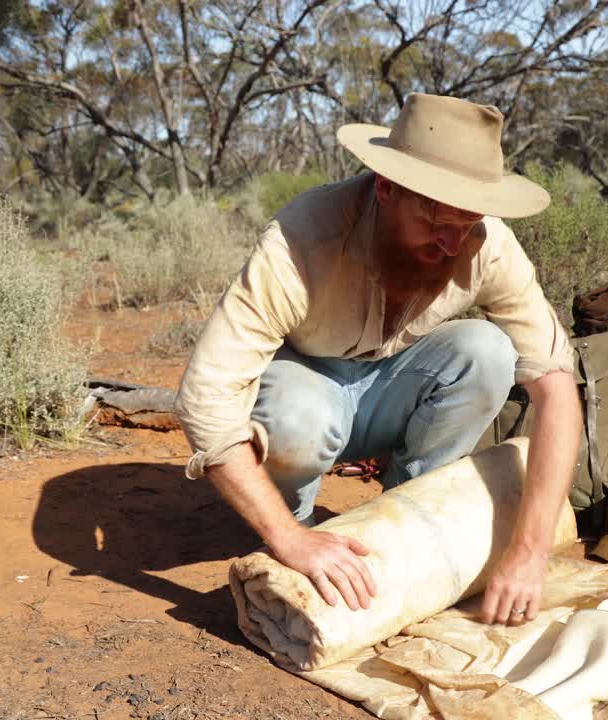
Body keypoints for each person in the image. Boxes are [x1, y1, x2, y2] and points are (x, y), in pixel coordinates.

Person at [174, 94, 582, 626]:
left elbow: (557, 387)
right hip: (306, 389)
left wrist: (528, 553)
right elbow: (205, 401)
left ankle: (405, 514)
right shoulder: (305, 237)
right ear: (387, 189)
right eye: (437, 218)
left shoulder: (486, 246)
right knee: (300, 420)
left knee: (486, 351)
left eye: (470, 221)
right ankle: (293, 527)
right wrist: (291, 538)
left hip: (394, 390)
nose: (452, 243)